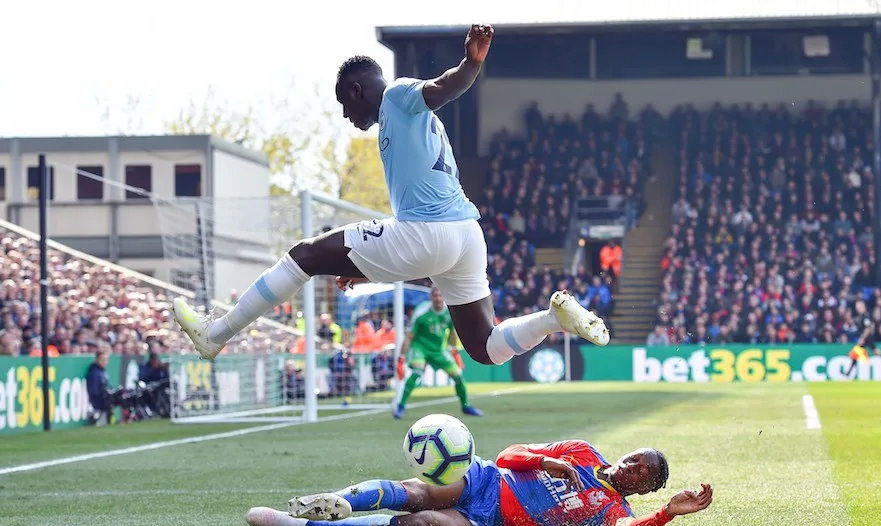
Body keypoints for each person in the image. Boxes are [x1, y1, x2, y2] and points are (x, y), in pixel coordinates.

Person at [171, 24, 609, 369]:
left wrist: (470, 64)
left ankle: (218, 333)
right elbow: (413, 245)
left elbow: (443, 88)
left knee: (302, 256)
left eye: (345, 104)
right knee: (484, 347)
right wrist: (371, 268)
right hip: (464, 238)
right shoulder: (405, 127)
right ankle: (554, 319)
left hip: (427, 233)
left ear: (358, 90)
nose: (346, 115)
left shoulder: (398, 97)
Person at [245, 440, 713, 526]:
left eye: (644, 474)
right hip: (489, 480)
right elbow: (509, 455)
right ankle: (340, 498)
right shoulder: (582, 452)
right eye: (636, 458)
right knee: (416, 492)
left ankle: (302, 524)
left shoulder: (613, 508)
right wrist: (548, 462)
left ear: (644, 488)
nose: (632, 468)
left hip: (492, 525)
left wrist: (667, 514)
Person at [395, 286, 481, 419]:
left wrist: (454, 352)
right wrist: (401, 358)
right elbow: (409, 336)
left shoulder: (450, 313)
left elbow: (452, 333)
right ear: (431, 297)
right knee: (417, 371)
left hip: (439, 350)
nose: (438, 299)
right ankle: (401, 406)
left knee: (458, 376)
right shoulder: (421, 312)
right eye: (435, 296)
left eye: (441, 296)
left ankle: (465, 406)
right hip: (420, 348)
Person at [845, 300, 881, 378]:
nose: (858, 308)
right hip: (866, 339)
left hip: (868, 339)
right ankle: (848, 374)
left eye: (859, 307)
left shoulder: (866, 316)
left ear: (863, 307)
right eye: (857, 307)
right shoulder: (861, 316)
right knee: (855, 355)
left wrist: (862, 338)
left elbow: (868, 328)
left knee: (877, 353)